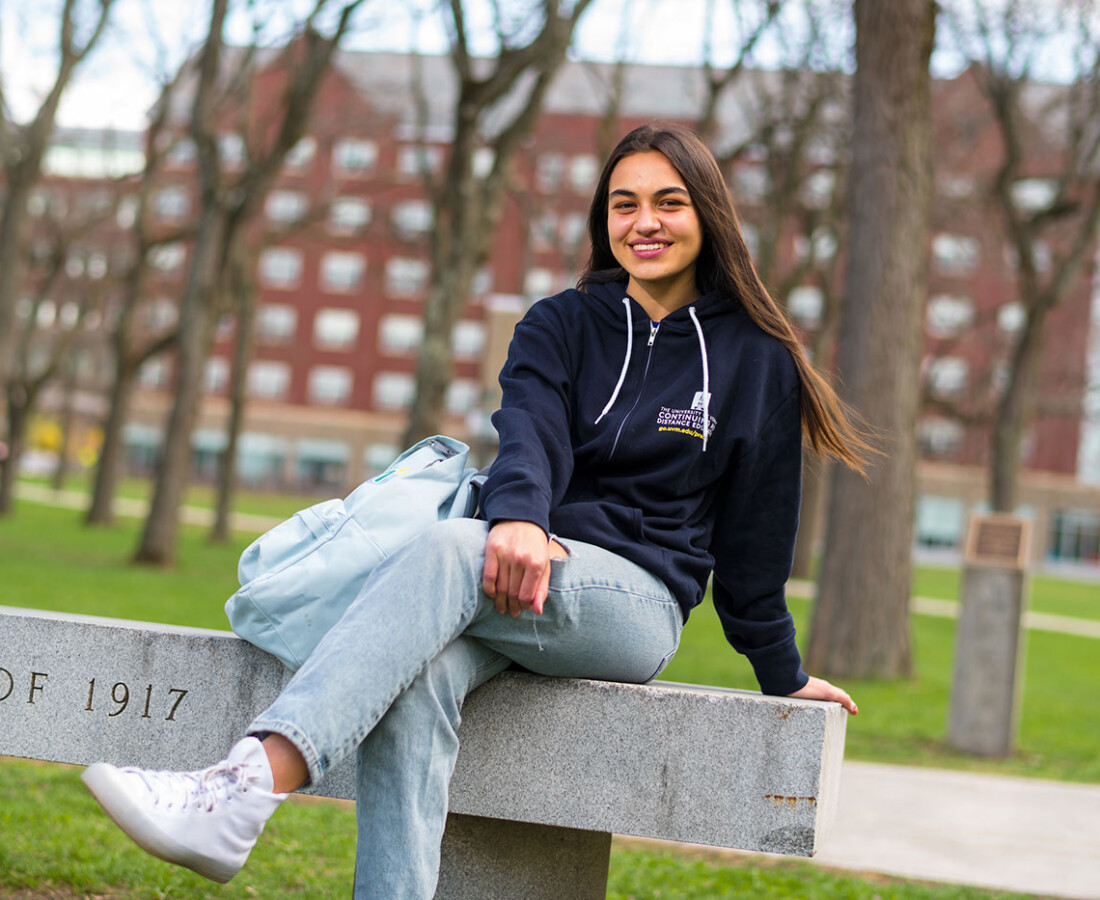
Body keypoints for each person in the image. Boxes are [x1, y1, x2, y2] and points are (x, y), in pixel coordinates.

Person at [82, 122, 868, 898]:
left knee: (453, 547)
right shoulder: (559, 324)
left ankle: (241, 790)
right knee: (419, 679)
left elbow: (756, 538)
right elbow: (529, 434)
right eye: (624, 204)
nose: (645, 223)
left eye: (669, 202)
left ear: (707, 214)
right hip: (512, 568)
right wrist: (522, 516)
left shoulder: (758, 360)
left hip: (633, 604)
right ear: (603, 219)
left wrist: (783, 673)